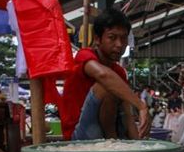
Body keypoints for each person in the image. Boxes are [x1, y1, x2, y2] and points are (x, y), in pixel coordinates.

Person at [60, 8, 150, 140]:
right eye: (112, 38)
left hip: (104, 134)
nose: (119, 44)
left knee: (119, 90)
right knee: (105, 85)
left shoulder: (119, 72)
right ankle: (112, 141)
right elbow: (103, 76)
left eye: (123, 38)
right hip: (78, 137)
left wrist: (138, 145)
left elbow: (128, 115)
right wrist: (141, 106)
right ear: (97, 39)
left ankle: (113, 142)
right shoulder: (84, 56)